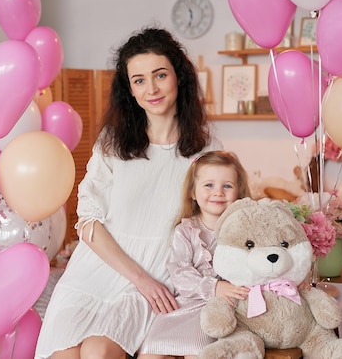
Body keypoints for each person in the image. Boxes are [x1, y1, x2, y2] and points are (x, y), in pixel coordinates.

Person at [35, 27, 222, 359]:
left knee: (98, 352)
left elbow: (216, 223)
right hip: (96, 272)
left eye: (160, 75)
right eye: (138, 80)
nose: (151, 88)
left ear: (178, 77)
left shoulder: (205, 150)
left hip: (158, 274)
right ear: (129, 90)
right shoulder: (112, 143)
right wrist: (138, 277)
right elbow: (89, 221)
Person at [138, 150, 252, 359]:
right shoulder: (186, 230)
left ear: (239, 192)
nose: (218, 192)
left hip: (217, 308)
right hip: (183, 306)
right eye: (209, 185)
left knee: (197, 353)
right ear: (193, 191)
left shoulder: (242, 230)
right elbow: (179, 271)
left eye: (227, 186)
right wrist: (213, 286)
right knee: (150, 354)